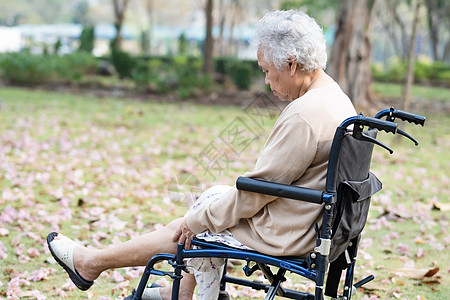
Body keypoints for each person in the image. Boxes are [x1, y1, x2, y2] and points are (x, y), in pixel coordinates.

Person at [47, 10, 357, 300]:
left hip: (286, 233)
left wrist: (196, 220)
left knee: (191, 225)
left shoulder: (304, 115)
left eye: (267, 71)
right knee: (209, 202)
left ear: (291, 64)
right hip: (312, 223)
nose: (266, 81)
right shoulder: (336, 99)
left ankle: (92, 263)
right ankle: (177, 292)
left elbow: (256, 192)